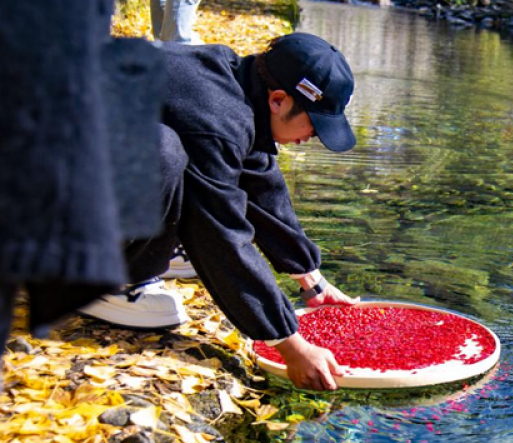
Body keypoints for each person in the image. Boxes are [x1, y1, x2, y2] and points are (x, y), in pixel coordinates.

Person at [80, 33, 362, 392]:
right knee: (162, 151)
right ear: (278, 100)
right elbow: (218, 231)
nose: (315, 137)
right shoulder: (212, 117)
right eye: (315, 124)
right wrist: (290, 344)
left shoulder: (236, 87)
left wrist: (312, 281)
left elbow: (260, 184)